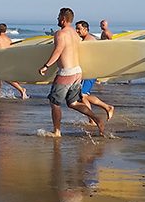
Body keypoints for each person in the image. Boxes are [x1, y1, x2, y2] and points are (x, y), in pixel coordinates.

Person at [39, 8, 105, 137]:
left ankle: (57, 131)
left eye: (58, 16)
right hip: (77, 72)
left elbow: (58, 51)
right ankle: (97, 119)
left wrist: (46, 66)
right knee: (73, 103)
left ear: (63, 19)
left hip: (66, 73)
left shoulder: (60, 33)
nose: (57, 19)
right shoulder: (76, 34)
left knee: (55, 102)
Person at [74, 21, 114, 121]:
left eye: (79, 29)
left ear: (85, 29)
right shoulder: (88, 39)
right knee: (83, 96)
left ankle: (107, 107)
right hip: (90, 70)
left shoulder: (88, 41)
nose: (77, 31)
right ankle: (91, 119)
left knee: (83, 95)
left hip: (89, 71)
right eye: (76, 28)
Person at [0, 23, 27, 99]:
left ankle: (21, 89)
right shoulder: (9, 39)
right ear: (6, 30)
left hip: (1, 60)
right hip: (8, 59)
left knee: (4, 77)